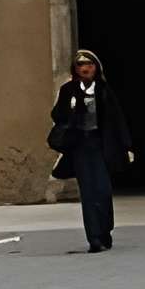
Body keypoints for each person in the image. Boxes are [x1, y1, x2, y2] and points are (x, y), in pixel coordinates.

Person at [49, 48, 134, 251]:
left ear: (96, 67)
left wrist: (127, 145)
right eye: (80, 64)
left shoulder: (104, 90)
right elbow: (57, 115)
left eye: (89, 64)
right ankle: (94, 238)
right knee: (88, 193)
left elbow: (117, 120)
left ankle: (105, 231)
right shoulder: (69, 90)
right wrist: (70, 107)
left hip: (101, 146)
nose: (85, 68)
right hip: (80, 146)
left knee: (103, 191)